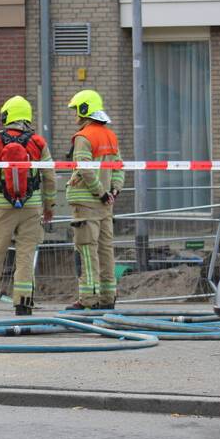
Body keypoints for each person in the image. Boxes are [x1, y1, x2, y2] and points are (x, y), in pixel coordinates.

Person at [0, 96, 56, 316]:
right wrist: (49, 205)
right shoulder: (38, 142)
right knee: (26, 255)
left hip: (1, 205)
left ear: (6, 115)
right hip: (33, 206)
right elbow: (49, 176)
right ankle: (23, 303)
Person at [64, 90, 125, 311]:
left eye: (76, 110)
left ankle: (88, 299)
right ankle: (108, 297)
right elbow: (118, 168)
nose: (75, 116)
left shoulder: (84, 137)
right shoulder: (110, 136)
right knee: (106, 250)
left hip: (86, 204)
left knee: (86, 251)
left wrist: (100, 192)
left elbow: (85, 168)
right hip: (105, 205)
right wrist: (114, 191)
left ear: (84, 109)